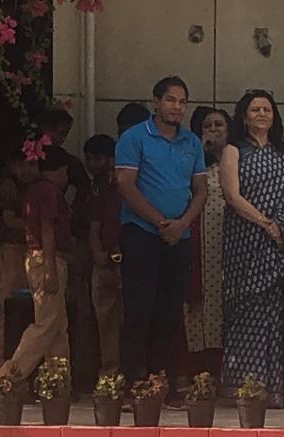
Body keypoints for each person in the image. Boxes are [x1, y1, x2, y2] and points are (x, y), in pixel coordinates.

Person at [220, 90, 284, 408]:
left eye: (267, 109)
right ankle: (247, 389)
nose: (262, 114)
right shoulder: (234, 151)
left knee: (279, 314)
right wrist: (265, 223)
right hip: (245, 242)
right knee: (248, 313)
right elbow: (232, 196)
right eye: (255, 109)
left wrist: (281, 226)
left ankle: (279, 389)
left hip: (281, 244)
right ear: (244, 117)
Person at [115, 75, 207, 395]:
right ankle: (133, 382)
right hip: (141, 233)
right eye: (170, 100)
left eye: (182, 102)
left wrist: (181, 225)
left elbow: (201, 189)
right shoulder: (134, 137)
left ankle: (161, 382)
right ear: (156, 102)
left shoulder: (191, 142)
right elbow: (125, 184)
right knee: (138, 309)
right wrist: (159, 222)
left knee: (170, 312)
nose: (177, 107)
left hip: (179, 237)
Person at [0, 147, 73, 382]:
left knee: (57, 326)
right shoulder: (48, 191)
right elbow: (46, 229)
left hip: (42, 257)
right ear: (60, 171)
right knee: (46, 324)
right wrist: (50, 268)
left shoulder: (33, 191)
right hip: (47, 258)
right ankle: (9, 377)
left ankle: (57, 382)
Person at [183, 107, 231, 382]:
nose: (213, 130)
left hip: (230, 244)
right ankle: (198, 371)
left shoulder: (238, 160)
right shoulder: (193, 161)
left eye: (219, 125)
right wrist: (199, 152)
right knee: (197, 302)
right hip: (199, 243)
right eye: (207, 126)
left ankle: (225, 369)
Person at [82, 134, 122, 376]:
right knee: (104, 319)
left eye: (96, 158)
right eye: (88, 159)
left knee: (132, 317)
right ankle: (109, 372)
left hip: (130, 258)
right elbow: (94, 225)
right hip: (104, 260)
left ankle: (135, 372)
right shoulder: (99, 190)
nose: (91, 164)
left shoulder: (136, 189)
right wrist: (97, 252)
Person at [0, 150, 37, 370]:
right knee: (9, 304)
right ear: (12, 166)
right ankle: (3, 363)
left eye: (30, 165)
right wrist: (36, 227)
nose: (25, 170)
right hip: (14, 250)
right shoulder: (9, 187)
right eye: (20, 165)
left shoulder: (37, 187)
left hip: (33, 250)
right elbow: (9, 220)